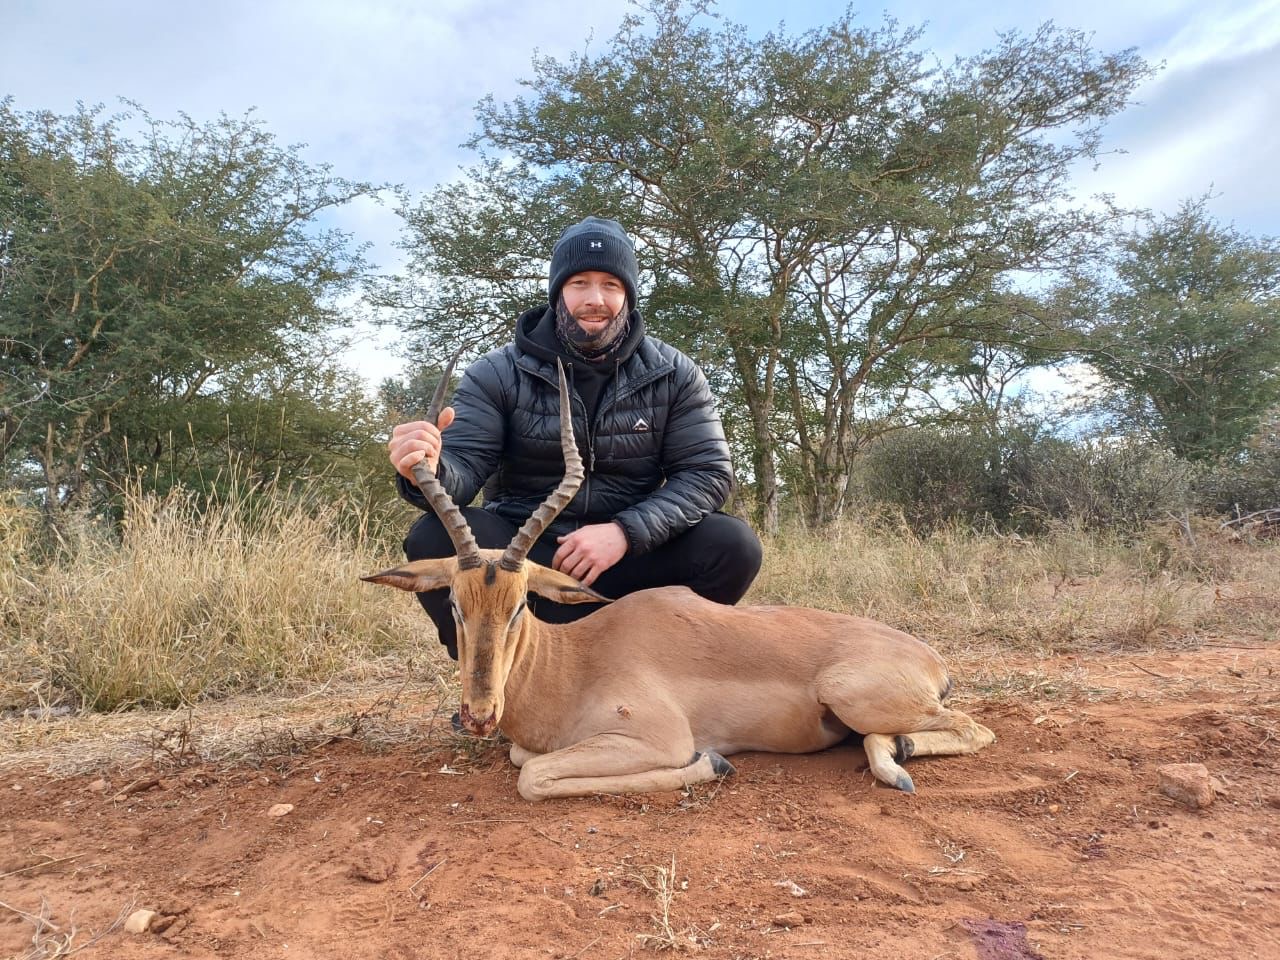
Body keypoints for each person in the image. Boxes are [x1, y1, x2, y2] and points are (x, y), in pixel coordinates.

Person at [387, 215, 763, 660]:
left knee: (732, 545)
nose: (595, 300)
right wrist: (425, 467)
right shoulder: (497, 371)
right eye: (580, 283)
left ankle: (655, 672)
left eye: (611, 285)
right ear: (558, 292)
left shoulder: (673, 372)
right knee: (434, 538)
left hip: (627, 553)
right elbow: (463, 470)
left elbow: (708, 473)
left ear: (628, 295)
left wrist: (625, 532)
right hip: (528, 557)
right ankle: (497, 679)